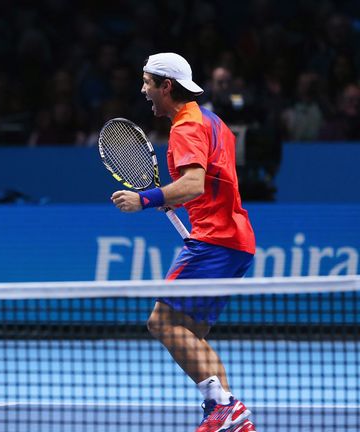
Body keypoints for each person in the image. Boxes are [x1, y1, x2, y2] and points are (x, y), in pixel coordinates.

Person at [111, 53, 257, 432]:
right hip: (234, 239)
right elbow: (208, 184)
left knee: (161, 322)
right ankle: (229, 419)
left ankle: (225, 407)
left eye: (147, 83)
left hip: (214, 240)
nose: (143, 91)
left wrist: (146, 199)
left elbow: (193, 183)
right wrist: (172, 197)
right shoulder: (211, 120)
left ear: (166, 86)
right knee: (192, 334)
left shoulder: (185, 127)